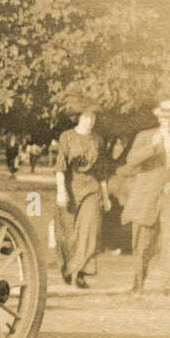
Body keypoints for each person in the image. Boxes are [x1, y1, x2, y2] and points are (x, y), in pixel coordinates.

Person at [120, 98, 170, 294]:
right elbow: (131, 162)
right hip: (147, 197)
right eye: (166, 119)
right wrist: (152, 148)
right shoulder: (145, 136)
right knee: (143, 242)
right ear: (160, 118)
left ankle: (169, 285)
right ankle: (137, 284)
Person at [53, 103, 110, 288]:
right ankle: (68, 268)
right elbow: (60, 166)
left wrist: (105, 196)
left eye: (93, 118)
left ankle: (81, 272)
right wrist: (61, 191)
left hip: (91, 188)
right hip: (70, 185)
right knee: (68, 233)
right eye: (86, 118)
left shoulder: (98, 140)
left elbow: (102, 170)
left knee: (89, 231)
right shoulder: (67, 137)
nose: (89, 122)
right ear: (78, 118)